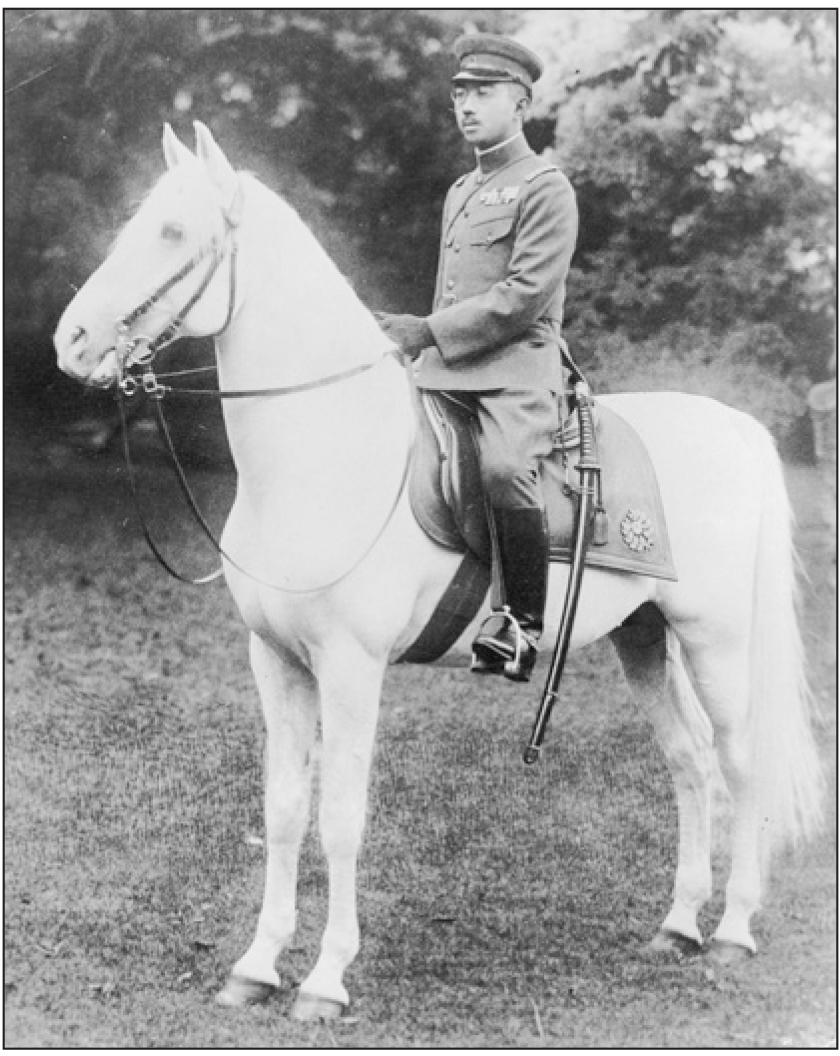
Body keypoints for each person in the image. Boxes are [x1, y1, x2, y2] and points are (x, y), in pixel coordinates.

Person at [377, 33, 579, 682]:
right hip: (447, 369)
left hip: (517, 371)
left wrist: (427, 329)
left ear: (520, 103)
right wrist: (427, 346)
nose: (465, 104)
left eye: (483, 92)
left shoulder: (546, 187)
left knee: (502, 468)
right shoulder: (461, 188)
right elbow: (456, 286)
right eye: (460, 91)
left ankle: (519, 625)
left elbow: (522, 297)